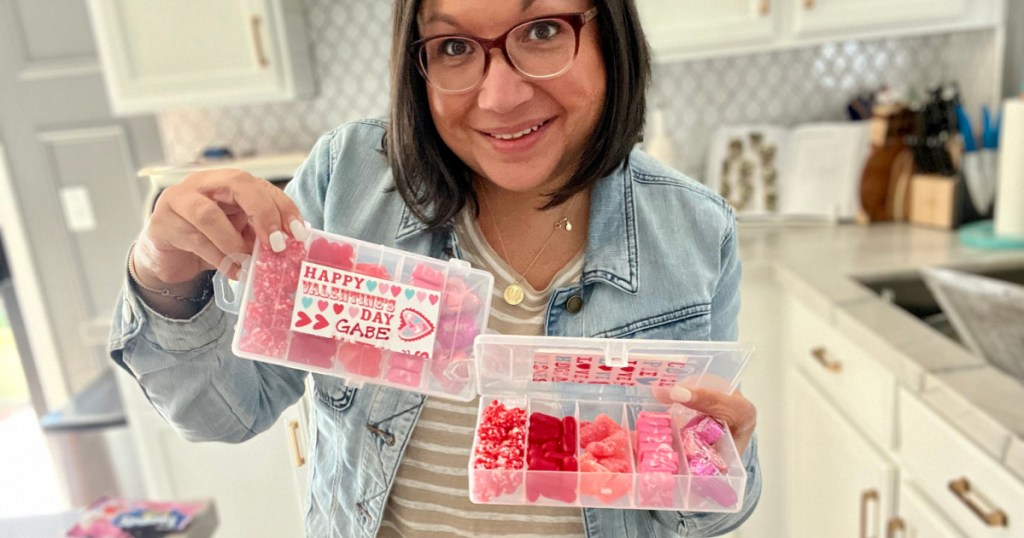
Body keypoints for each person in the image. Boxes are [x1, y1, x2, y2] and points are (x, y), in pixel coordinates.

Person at [109, 0, 761, 536]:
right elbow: (218, 412)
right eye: (452, 47)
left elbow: (702, 512)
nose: (500, 96)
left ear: (610, 35)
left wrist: (713, 457)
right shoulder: (350, 181)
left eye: (541, 31)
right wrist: (162, 268)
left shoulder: (696, 234)